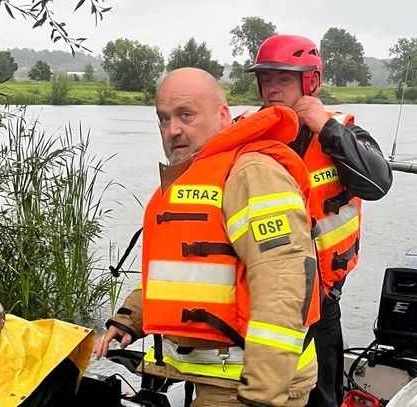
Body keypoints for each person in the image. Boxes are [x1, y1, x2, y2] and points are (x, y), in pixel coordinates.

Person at [94, 67, 321, 407]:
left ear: (223, 114)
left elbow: (284, 279)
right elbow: (185, 274)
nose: (173, 130)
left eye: (186, 115)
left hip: (245, 387)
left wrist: (263, 392)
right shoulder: (196, 177)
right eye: (164, 119)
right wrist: (131, 318)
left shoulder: (251, 173)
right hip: (212, 376)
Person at [246, 34, 393, 407]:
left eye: (283, 78)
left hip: (322, 299)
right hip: (263, 295)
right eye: (266, 79)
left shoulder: (344, 131)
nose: (272, 89)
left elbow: (378, 182)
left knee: (322, 396)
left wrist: (326, 129)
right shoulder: (246, 131)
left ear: (310, 81)